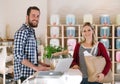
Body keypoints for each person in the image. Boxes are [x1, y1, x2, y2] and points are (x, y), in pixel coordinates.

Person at [14, 6, 50, 82]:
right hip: (23, 77)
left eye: (38, 16)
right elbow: (18, 55)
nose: (36, 19)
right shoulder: (22, 32)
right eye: (33, 15)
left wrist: (41, 64)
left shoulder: (31, 31)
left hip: (31, 75)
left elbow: (31, 56)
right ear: (27, 17)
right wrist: (36, 68)